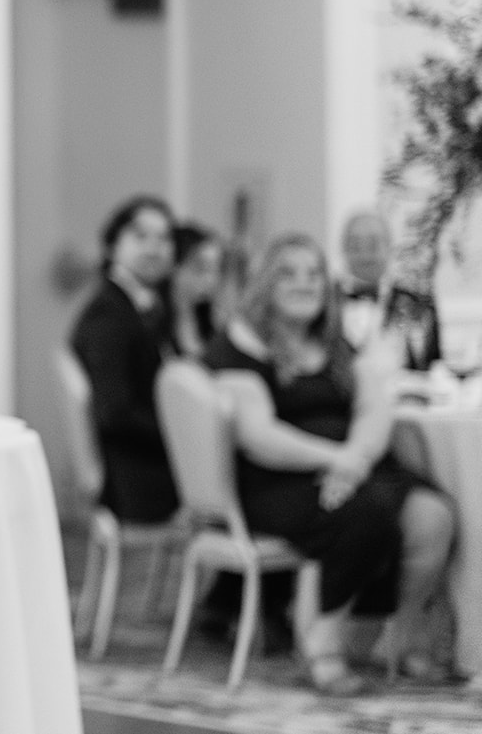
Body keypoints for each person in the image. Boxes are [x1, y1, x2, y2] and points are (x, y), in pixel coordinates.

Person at [205, 232, 456, 695]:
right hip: (276, 479)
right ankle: (322, 639)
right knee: (363, 515)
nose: (305, 283)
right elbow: (259, 435)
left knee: (434, 516)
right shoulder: (239, 345)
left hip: (353, 469)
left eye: (314, 273)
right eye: (288, 273)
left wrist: (355, 460)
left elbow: (373, 406)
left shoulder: (333, 342)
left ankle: (398, 635)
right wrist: (338, 459)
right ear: (264, 283)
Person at [68, 195, 180, 524]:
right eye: (141, 236)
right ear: (112, 245)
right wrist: (184, 433)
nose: (154, 248)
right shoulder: (109, 316)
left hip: (143, 466)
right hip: (136, 478)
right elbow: (115, 412)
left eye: (164, 238)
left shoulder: (145, 308)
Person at [338, 209, 443, 370]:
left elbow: (433, 368)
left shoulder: (419, 304)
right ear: (343, 250)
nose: (365, 254)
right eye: (355, 245)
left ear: (389, 247)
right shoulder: (326, 303)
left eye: (373, 244)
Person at [167, 222, 225, 360]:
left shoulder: (210, 318)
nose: (211, 280)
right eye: (201, 269)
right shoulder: (152, 322)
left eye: (217, 269)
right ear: (173, 266)